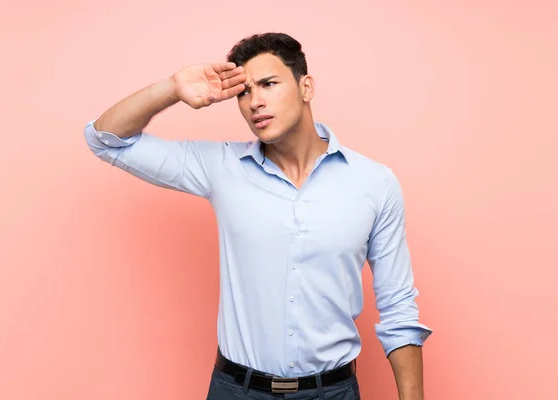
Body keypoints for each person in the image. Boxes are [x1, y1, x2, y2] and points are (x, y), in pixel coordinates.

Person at [83, 32, 432, 400]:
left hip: (333, 392)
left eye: (268, 84)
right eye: (243, 92)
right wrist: (172, 88)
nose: (255, 102)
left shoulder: (374, 182)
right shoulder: (221, 168)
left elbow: (398, 309)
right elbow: (105, 139)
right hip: (238, 391)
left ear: (306, 87)